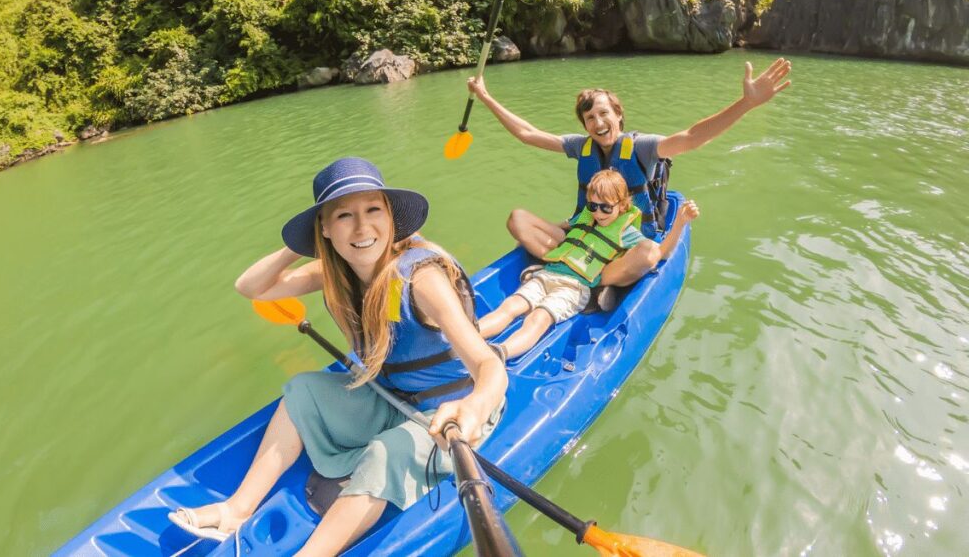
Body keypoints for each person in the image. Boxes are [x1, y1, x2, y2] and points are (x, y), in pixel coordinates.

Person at [169, 157, 507, 556]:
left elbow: (489, 366)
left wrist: (473, 406)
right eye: (344, 216)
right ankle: (235, 511)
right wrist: (301, 244)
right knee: (302, 389)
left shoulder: (421, 279)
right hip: (389, 398)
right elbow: (251, 287)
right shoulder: (334, 274)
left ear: (391, 218)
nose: (362, 228)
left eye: (373, 210)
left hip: (447, 414)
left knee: (385, 454)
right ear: (325, 230)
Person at [466, 58, 790, 289]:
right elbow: (527, 134)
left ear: (618, 115)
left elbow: (692, 138)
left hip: (625, 245)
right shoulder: (582, 147)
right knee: (517, 220)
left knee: (649, 253)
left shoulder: (641, 148)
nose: (598, 122)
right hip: (586, 239)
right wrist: (485, 96)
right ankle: (571, 264)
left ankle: (595, 278)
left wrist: (746, 104)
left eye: (604, 113)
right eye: (590, 118)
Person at [479, 170, 699, 360]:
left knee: (539, 318)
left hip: (575, 287)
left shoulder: (627, 233)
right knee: (510, 306)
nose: (598, 212)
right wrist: (533, 242)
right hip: (548, 274)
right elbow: (559, 228)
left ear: (622, 206)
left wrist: (680, 222)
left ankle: (500, 352)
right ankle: (470, 336)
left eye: (606, 208)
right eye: (593, 205)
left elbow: (660, 253)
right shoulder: (585, 219)